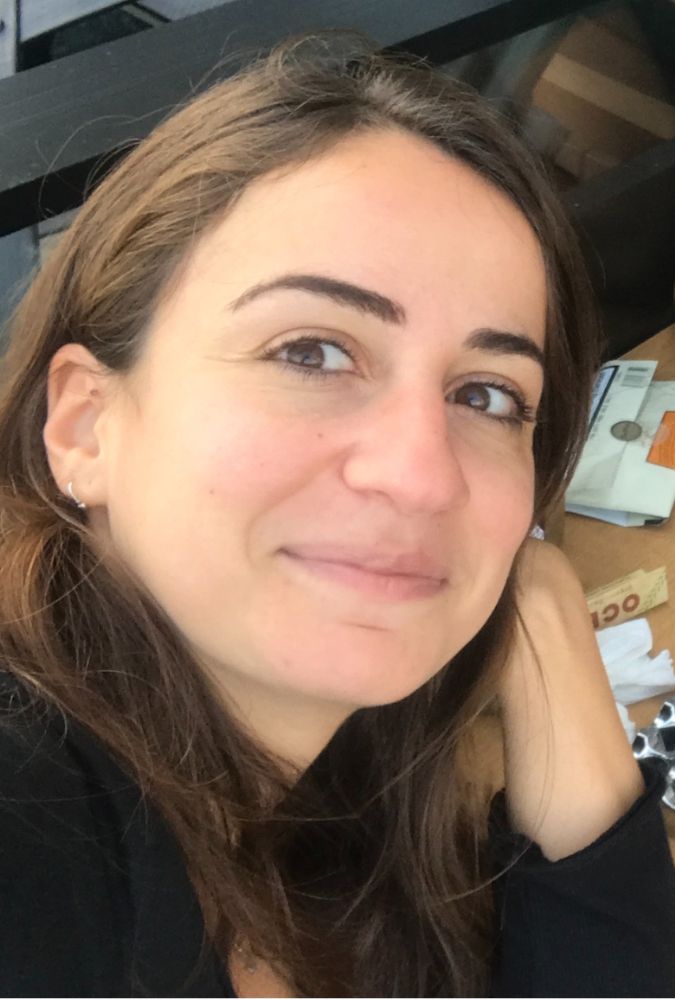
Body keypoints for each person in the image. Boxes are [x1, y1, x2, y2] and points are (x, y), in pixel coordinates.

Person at [0, 29, 672, 999]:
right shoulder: (36, 812)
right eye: (312, 351)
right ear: (86, 426)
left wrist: (541, 601)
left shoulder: (344, 816)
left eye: (487, 396)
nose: (422, 476)